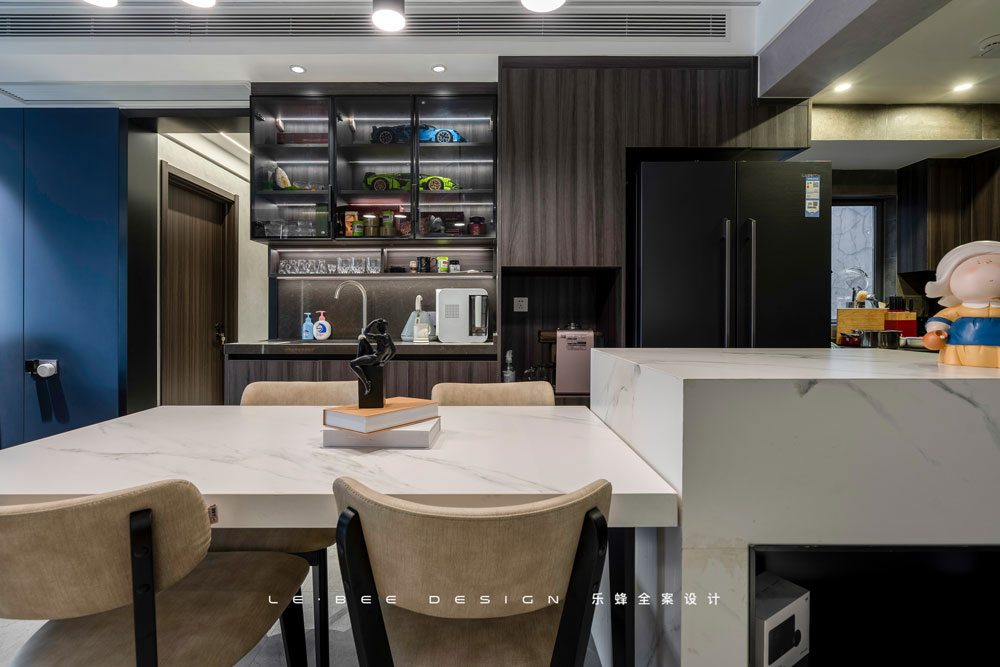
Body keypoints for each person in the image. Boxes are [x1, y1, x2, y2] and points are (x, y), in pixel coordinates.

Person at [923, 240, 1000, 367]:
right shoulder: (959, 310)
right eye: (978, 263)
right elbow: (941, 320)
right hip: (960, 354)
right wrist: (936, 331)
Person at [350, 318, 397, 394]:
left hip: (375, 359)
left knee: (352, 363)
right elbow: (394, 350)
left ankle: (366, 383)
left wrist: (372, 322)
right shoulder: (388, 336)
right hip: (378, 356)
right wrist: (385, 360)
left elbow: (365, 333)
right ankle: (359, 361)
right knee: (362, 340)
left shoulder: (380, 336)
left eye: (377, 326)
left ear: (378, 327)